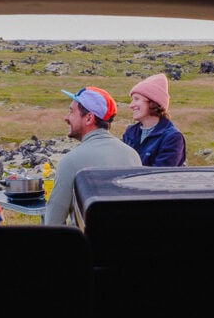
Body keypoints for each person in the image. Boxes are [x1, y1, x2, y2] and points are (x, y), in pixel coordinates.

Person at [44, 86, 142, 225]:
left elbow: (53, 222)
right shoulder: (132, 155)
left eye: (71, 111)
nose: (66, 118)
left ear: (89, 118)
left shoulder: (71, 161)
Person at [123, 73, 186, 166]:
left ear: (153, 102)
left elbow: (161, 173)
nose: (131, 105)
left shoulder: (172, 137)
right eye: (132, 100)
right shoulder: (130, 132)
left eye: (136, 99)